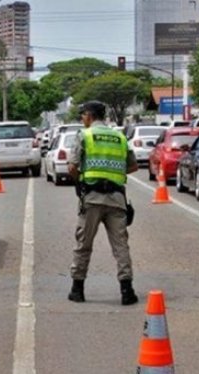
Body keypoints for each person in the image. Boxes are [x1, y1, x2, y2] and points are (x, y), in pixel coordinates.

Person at [67, 100, 139, 305]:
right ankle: (127, 291)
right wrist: (112, 174)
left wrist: (82, 179)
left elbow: (72, 167)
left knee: (83, 244)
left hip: (91, 198)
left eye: (83, 115)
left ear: (89, 116)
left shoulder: (85, 135)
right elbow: (133, 166)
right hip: (117, 199)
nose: (82, 119)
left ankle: (77, 290)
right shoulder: (120, 137)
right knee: (121, 246)